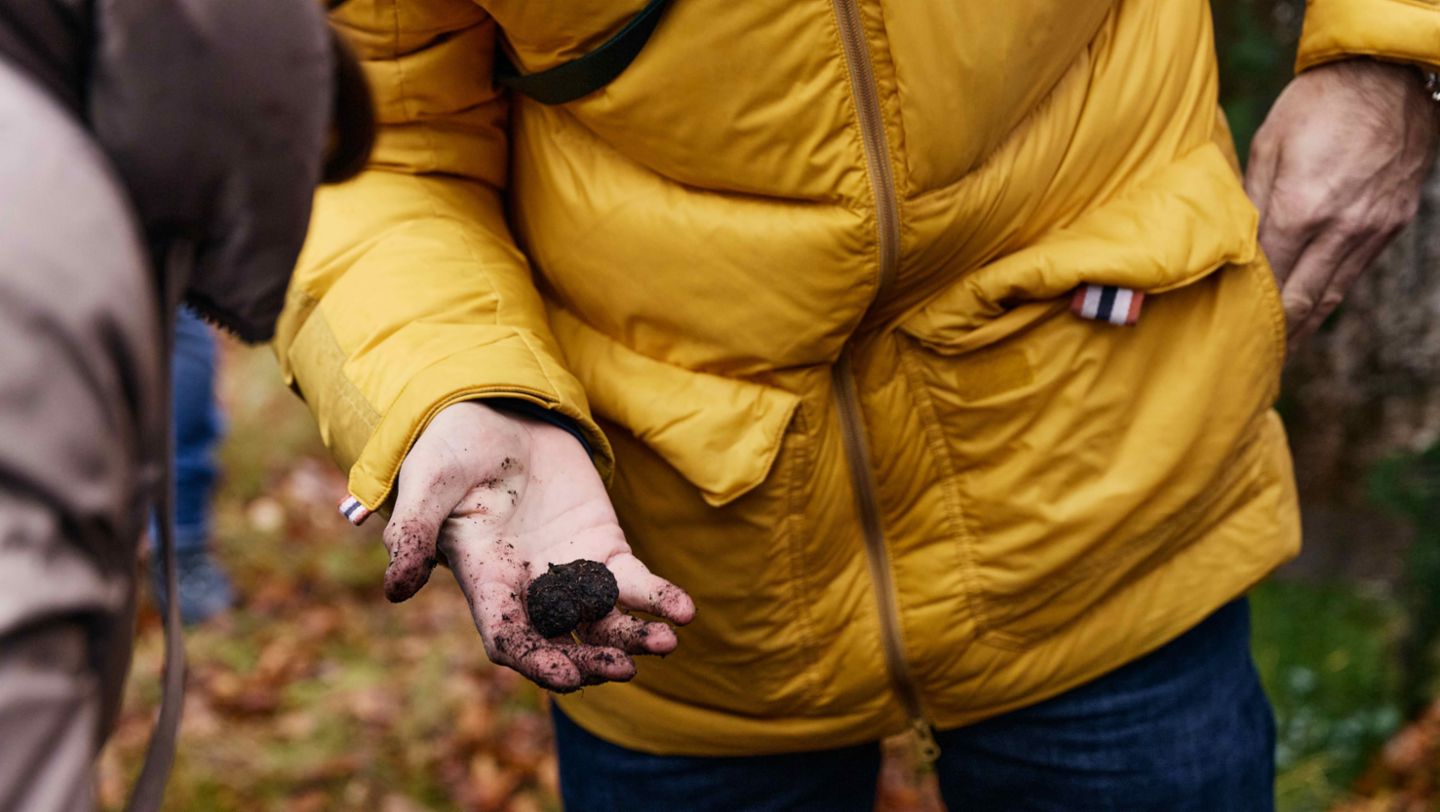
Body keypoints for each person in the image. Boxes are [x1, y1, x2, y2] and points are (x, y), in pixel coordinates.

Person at [283, 2, 1440, 809]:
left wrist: (1392, 49)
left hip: (1107, 478)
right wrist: (456, 386)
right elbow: (366, 147)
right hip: (675, 562)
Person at [0, 2, 370, 809]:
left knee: (176, 335)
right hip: (77, 186)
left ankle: (182, 535)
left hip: (101, 131)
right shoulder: (30, 269)